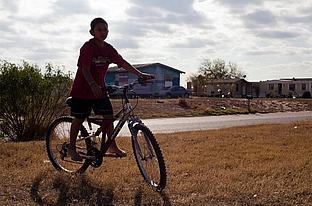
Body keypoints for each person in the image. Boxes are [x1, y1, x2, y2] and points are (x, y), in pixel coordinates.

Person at [68, 17, 153, 161]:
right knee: (79, 118)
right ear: (92, 32)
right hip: (82, 90)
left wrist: (139, 74)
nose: (103, 32)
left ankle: (112, 146)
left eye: (105, 29)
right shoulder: (88, 47)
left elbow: (122, 62)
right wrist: (93, 85)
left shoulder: (108, 49)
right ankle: (71, 148)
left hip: (100, 91)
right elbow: (85, 69)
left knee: (109, 118)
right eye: (99, 30)